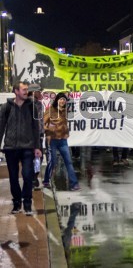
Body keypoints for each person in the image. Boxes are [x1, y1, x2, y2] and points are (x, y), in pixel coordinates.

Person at [0, 82, 42, 216]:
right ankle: (17, 203)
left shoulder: (32, 107)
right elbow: (0, 128)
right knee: (13, 177)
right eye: (24, 89)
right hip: (10, 148)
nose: (26, 92)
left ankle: (28, 203)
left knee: (27, 175)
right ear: (16, 91)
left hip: (28, 147)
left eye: (27, 90)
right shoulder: (6, 107)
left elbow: (36, 128)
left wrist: (38, 147)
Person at [42, 92, 81, 191]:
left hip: (63, 140)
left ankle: (74, 184)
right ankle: (46, 180)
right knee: (52, 162)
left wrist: (66, 132)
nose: (62, 101)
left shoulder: (65, 111)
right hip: (52, 140)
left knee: (69, 162)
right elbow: (43, 123)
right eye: (61, 99)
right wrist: (50, 130)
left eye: (64, 99)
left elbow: (64, 125)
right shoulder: (50, 110)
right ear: (57, 100)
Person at [27, 83, 45, 188]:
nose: (40, 93)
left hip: (37, 134)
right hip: (32, 135)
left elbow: (40, 121)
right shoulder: (30, 104)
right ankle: (33, 178)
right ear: (34, 92)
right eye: (39, 91)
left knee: (37, 157)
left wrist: (42, 132)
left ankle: (33, 177)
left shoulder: (38, 104)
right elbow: (36, 121)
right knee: (36, 157)